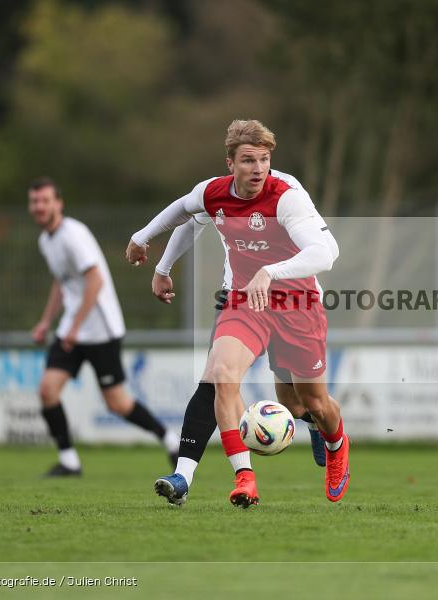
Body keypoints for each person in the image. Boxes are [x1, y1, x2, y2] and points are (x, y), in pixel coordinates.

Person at [126, 119, 350, 507]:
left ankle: (334, 441)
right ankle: (245, 478)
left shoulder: (286, 196)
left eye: (264, 160)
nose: (258, 168)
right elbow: (183, 212)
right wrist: (144, 243)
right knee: (222, 375)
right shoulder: (214, 193)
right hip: (245, 300)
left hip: (297, 305)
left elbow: (326, 254)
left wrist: (271, 271)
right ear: (230, 163)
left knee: (306, 403)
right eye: (249, 160)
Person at [28, 177, 179, 477]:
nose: (39, 206)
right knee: (48, 390)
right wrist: (47, 321)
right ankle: (69, 461)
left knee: (118, 404)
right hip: (73, 328)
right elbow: (62, 281)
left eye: (45, 200)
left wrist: (75, 326)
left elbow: (95, 280)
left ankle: (171, 440)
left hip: (100, 331)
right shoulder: (46, 240)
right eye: (34, 201)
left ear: (58, 203)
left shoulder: (73, 234)